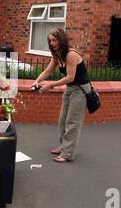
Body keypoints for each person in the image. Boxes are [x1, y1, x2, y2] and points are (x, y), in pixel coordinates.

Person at [31, 28, 90, 163]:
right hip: (70, 89)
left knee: (72, 122)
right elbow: (47, 71)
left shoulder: (71, 54)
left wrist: (50, 85)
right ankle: (64, 146)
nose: (52, 43)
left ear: (61, 39)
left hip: (81, 90)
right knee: (62, 120)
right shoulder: (57, 55)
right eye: (50, 40)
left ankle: (67, 153)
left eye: (54, 40)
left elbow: (70, 77)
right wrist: (37, 81)